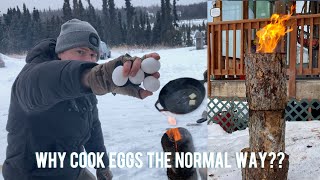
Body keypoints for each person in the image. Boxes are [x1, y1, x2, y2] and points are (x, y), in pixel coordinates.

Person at [3, 19, 160, 180]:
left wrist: (102, 165)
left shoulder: (85, 89)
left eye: (93, 55)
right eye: (80, 51)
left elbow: (92, 128)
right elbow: (56, 79)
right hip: (30, 175)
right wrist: (93, 76)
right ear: (60, 51)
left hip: (71, 170)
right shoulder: (31, 77)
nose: (88, 60)